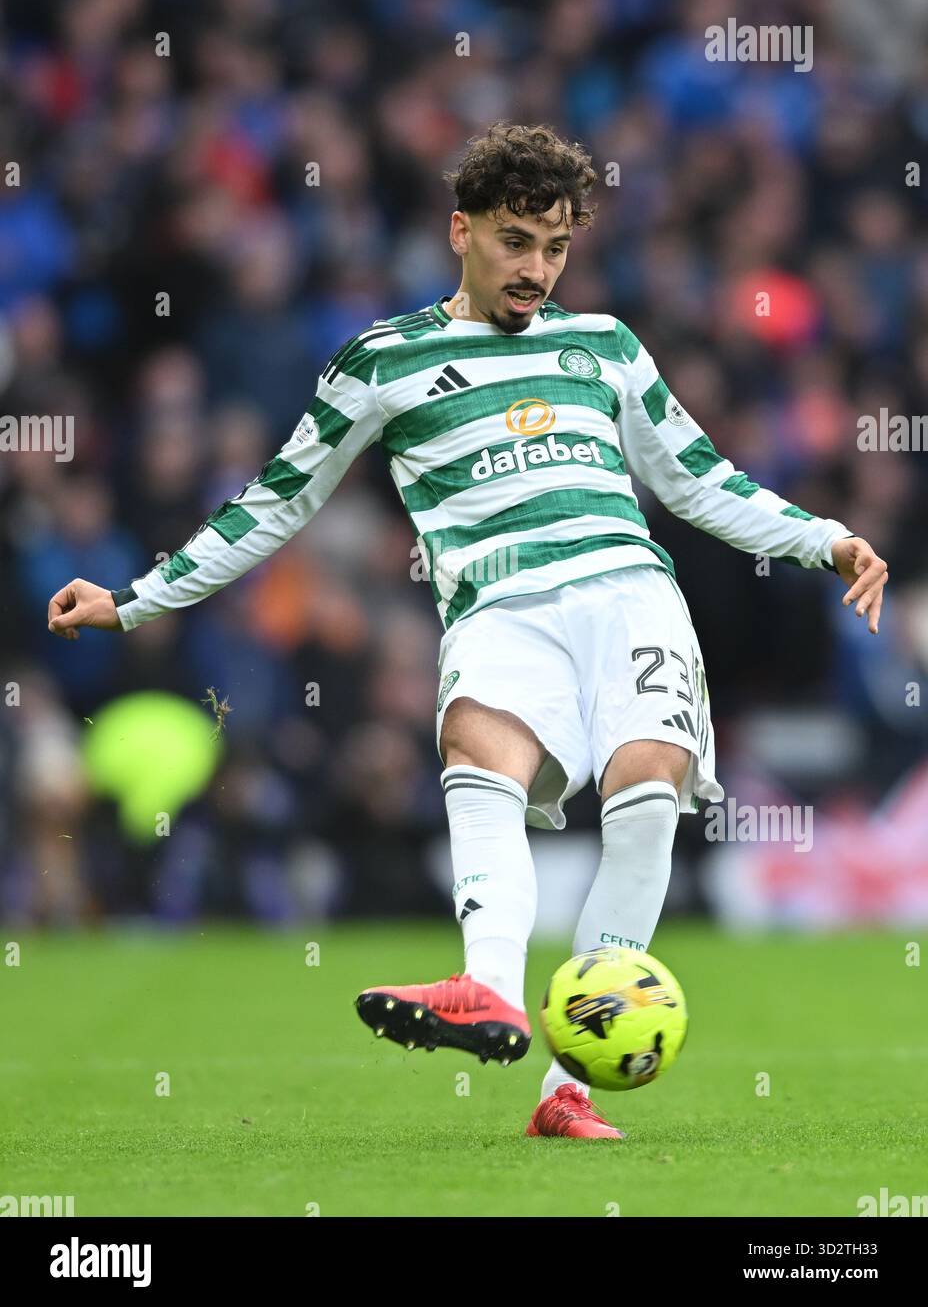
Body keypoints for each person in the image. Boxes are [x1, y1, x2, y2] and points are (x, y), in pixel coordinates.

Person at [48, 123, 888, 1139]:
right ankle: (487, 989)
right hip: (495, 600)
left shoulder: (606, 346)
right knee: (475, 748)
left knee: (647, 783)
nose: (536, 267)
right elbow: (272, 501)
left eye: (554, 247)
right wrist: (135, 596)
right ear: (460, 230)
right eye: (513, 241)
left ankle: (564, 1089)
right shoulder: (381, 361)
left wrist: (826, 538)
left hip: (626, 592)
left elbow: (697, 478)